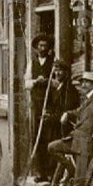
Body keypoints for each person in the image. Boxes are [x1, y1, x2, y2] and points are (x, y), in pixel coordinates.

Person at [24, 34, 55, 178]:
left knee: (50, 136)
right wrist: (36, 81)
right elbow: (26, 84)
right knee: (38, 135)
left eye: (45, 46)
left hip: (50, 103)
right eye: (40, 46)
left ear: (49, 47)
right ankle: (40, 171)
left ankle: (50, 172)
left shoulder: (53, 62)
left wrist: (49, 80)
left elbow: (57, 82)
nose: (43, 48)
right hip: (36, 104)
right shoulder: (32, 63)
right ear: (36, 48)